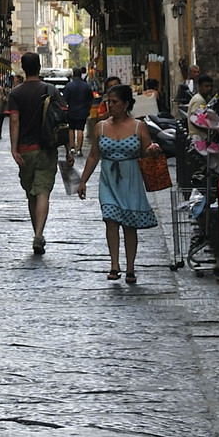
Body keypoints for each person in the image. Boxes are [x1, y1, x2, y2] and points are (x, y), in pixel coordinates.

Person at [77, 78, 159, 283]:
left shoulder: (139, 127)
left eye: (114, 102)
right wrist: (83, 180)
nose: (110, 105)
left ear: (125, 104)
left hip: (131, 178)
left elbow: (146, 154)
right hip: (108, 179)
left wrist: (152, 151)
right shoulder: (100, 127)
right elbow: (94, 155)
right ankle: (114, 264)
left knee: (129, 224)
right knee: (110, 220)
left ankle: (130, 267)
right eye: (109, 102)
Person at [7, 52, 59, 255]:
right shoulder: (51, 90)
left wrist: (14, 148)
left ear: (23, 67)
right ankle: (39, 234)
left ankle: (36, 232)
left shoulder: (16, 93)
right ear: (39, 66)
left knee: (31, 194)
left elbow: (14, 121)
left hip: (26, 150)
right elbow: (62, 120)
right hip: (47, 148)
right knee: (43, 191)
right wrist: (69, 148)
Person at [64, 65, 94, 159]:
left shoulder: (69, 86)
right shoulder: (86, 86)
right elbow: (91, 99)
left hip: (71, 110)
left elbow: (65, 100)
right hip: (83, 110)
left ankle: (72, 147)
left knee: (71, 129)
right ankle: (79, 149)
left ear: (73, 75)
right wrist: (88, 109)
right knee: (80, 129)